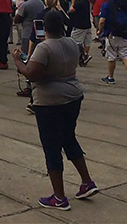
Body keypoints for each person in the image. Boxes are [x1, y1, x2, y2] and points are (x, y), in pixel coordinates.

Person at [12, 11, 98, 210]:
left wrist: (18, 61)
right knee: (68, 138)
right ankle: (86, 181)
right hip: (73, 96)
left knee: (51, 146)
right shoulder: (71, 43)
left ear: (45, 28)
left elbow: (32, 74)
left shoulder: (44, 47)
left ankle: (59, 197)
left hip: (50, 101)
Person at [98, 0, 127, 88]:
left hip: (112, 33)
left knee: (111, 56)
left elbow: (102, 21)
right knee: (125, 55)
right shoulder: (123, 3)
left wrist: (99, 31)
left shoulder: (106, 5)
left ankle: (110, 77)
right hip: (124, 32)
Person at [69, 0, 93, 67]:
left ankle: (83, 56)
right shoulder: (86, 2)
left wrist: (72, 3)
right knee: (87, 42)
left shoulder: (78, 3)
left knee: (76, 42)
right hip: (87, 24)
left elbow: (71, 10)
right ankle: (85, 55)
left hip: (79, 25)